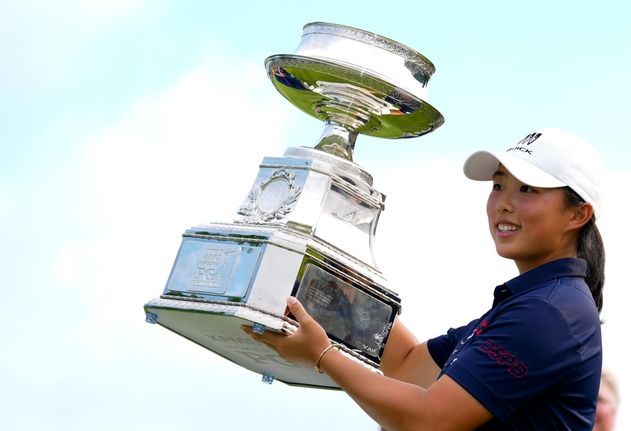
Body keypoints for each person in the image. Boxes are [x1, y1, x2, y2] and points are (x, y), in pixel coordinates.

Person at [244, 127, 606, 430]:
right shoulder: (534, 304)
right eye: (498, 186)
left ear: (578, 215)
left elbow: (427, 421)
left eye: (527, 189)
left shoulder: (549, 312)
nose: (503, 204)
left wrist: (322, 355)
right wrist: (336, 281)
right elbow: (406, 366)